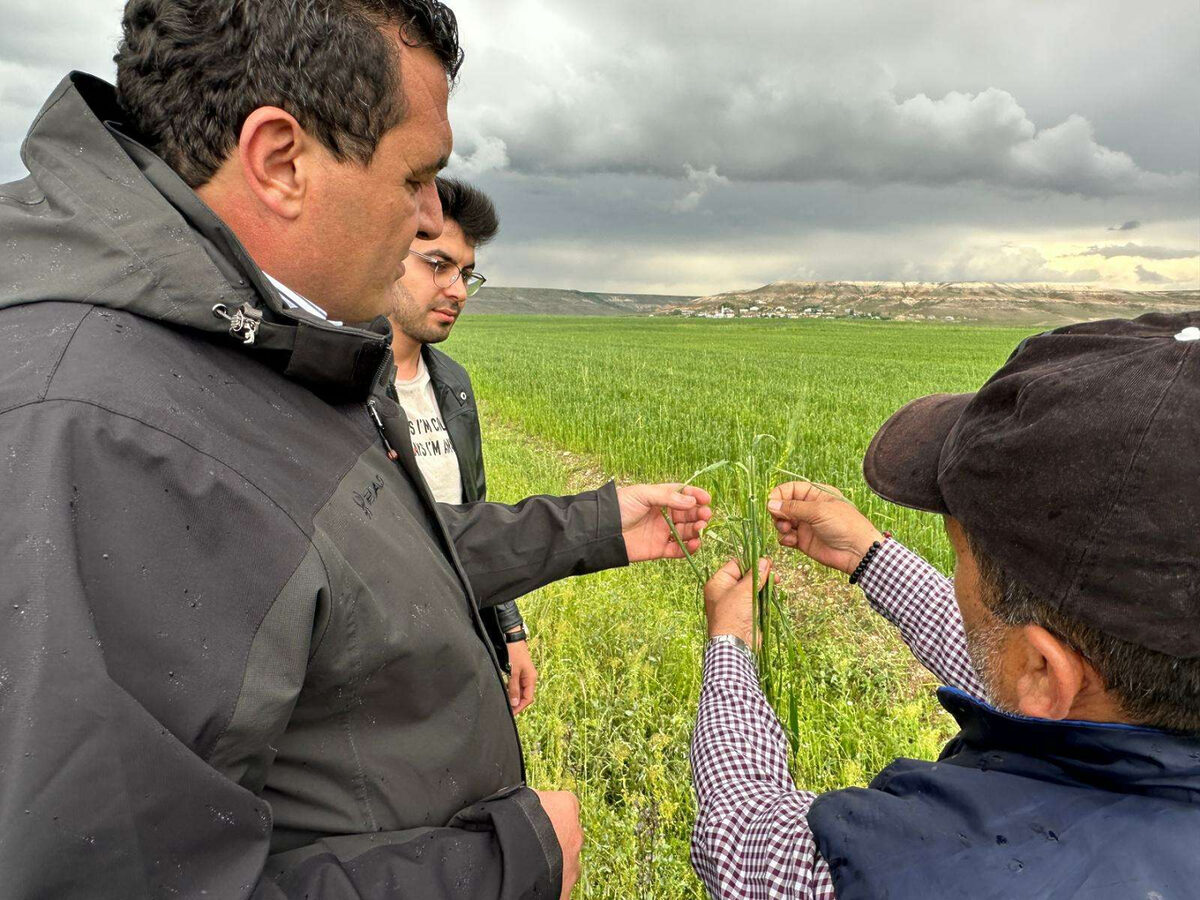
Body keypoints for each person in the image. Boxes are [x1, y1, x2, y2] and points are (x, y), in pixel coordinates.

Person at [0, 2, 712, 898]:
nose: (427, 220)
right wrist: (502, 868)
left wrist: (595, 524)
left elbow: (359, 571)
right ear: (280, 161)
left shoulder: (244, 345)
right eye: (417, 176)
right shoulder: (102, 430)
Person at [691, 313, 1200, 899]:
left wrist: (730, 643)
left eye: (959, 558)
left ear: (1043, 669)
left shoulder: (904, 868)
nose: (958, 579)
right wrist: (869, 554)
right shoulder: (1134, 705)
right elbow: (1031, 676)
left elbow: (738, 834)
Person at [388, 176, 538, 714]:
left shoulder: (452, 383)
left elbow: (475, 518)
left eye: (466, 275)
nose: (456, 290)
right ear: (385, 251)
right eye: (438, 264)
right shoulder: (342, 384)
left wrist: (510, 630)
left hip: (456, 633)